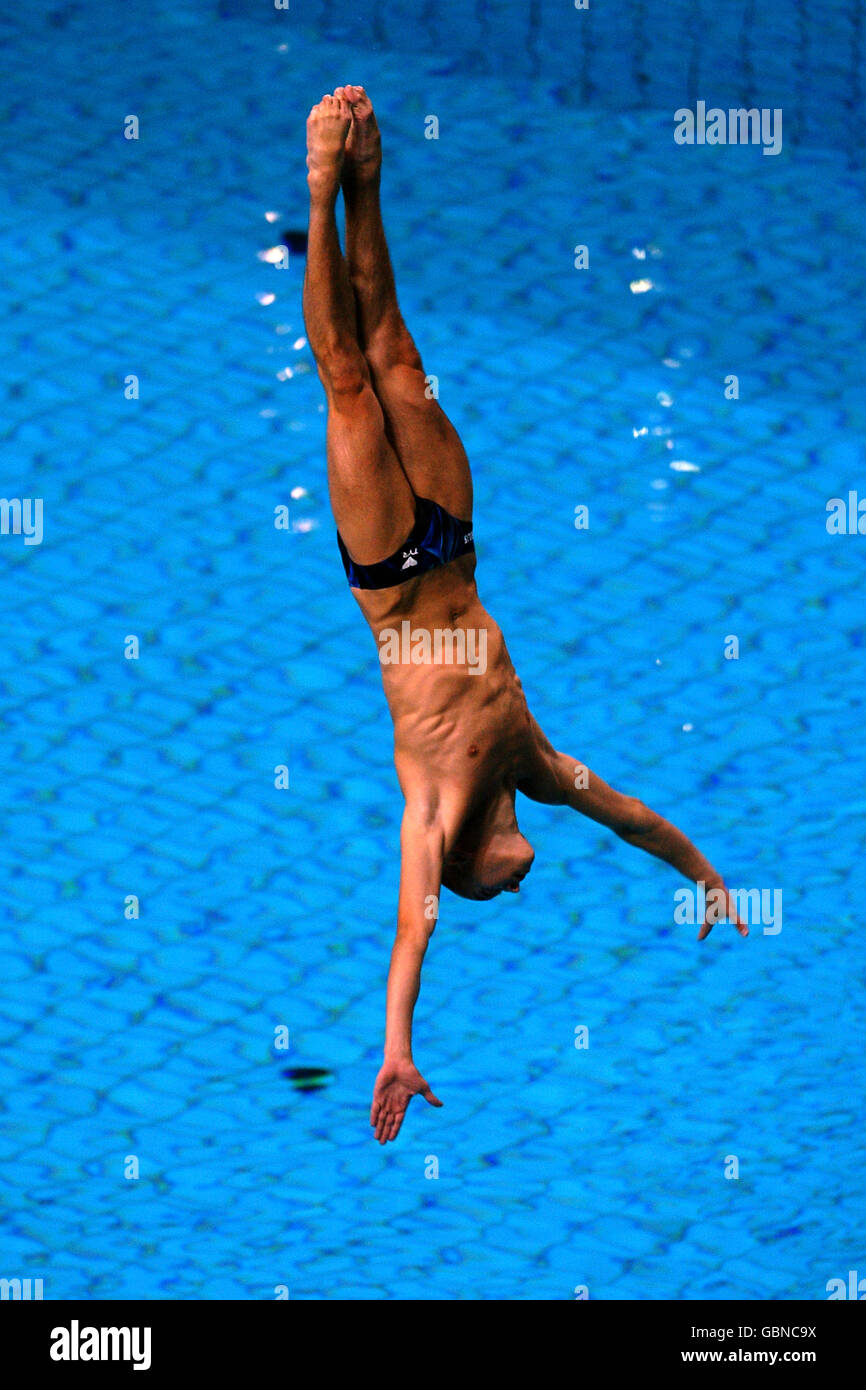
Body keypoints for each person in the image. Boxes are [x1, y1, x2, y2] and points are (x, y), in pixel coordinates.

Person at [302, 87, 747, 1145]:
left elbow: (410, 933)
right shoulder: (533, 772)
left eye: (493, 897)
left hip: (389, 579)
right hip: (452, 541)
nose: (516, 890)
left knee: (348, 384)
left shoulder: (438, 814)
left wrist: (396, 1047)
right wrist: (704, 874)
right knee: (397, 355)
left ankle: (325, 191)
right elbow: (626, 810)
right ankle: (371, 184)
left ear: (468, 871)